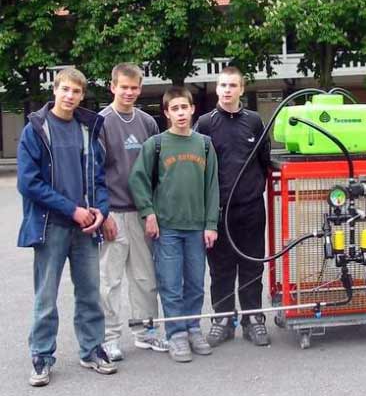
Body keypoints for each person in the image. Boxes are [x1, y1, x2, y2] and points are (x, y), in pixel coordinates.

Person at [17, 68, 117, 387]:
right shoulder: (36, 129)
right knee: (46, 296)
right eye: (65, 90)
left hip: (86, 227)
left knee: (89, 293)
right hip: (52, 226)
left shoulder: (87, 129)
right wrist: (71, 210)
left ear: (82, 95)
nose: (70, 96)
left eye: (76, 91)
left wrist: (100, 210)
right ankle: (42, 357)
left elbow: (99, 179)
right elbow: (28, 183)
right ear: (55, 90)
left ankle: (91, 350)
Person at [129, 86, 219, 363]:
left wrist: (211, 224)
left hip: (196, 227)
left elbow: (212, 186)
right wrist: (149, 213)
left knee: (195, 282)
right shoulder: (155, 144)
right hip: (167, 227)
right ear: (167, 113)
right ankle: (176, 333)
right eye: (174, 109)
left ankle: (193, 327)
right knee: (170, 283)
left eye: (185, 107)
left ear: (193, 109)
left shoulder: (204, 144)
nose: (181, 113)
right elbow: (138, 180)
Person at [195, 66, 271, 347]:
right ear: (217, 88)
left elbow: (265, 160)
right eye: (223, 85)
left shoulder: (254, 121)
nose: (227, 90)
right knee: (221, 267)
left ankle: (254, 319)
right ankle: (223, 319)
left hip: (251, 208)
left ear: (242, 89)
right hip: (218, 210)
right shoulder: (204, 123)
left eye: (232, 85)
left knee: (252, 264)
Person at [99, 63, 167, 361]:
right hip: (113, 212)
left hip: (142, 213)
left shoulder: (148, 123)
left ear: (140, 88)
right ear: (112, 86)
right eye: (123, 87)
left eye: (134, 87)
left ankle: (146, 332)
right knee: (110, 280)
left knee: (144, 277)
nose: (129, 92)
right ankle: (109, 337)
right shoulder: (101, 122)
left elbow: (156, 171)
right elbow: (94, 174)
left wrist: (152, 210)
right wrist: (102, 215)